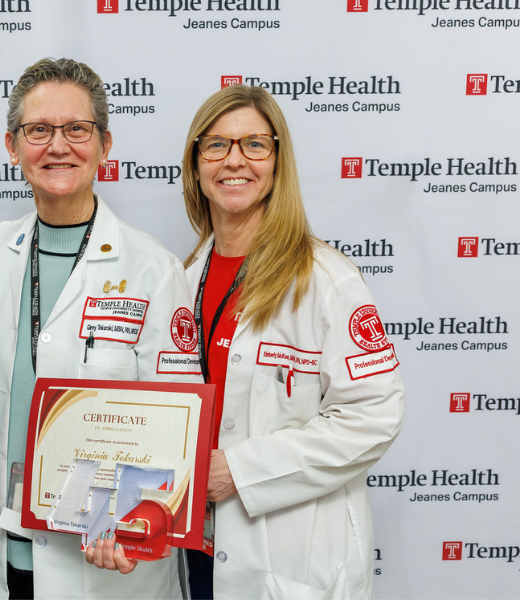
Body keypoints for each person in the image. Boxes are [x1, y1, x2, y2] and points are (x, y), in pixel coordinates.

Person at [0, 58, 202, 600]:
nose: (58, 146)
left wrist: (138, 522)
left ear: (105, 145)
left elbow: (174, 420)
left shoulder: (151, 269)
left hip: (106, 558)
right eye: (38, 130)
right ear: (12, 145)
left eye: (77, 129)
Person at [180, 84, 405, 599]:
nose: (234, 160)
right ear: (195, 165)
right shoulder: (184, 277)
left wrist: (239, 470)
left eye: (254, 144)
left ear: (278, 162)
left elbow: (374, 416)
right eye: (215, 145)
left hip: (291, 561)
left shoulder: (327, 279)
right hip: (198, 554)